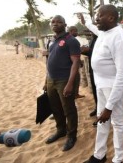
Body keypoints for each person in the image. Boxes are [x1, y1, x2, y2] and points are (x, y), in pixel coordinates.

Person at [80, 5, 123, 163]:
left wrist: (109, 107)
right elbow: (94, 28)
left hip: (113, 87)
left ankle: (118, 158)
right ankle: (99, 155)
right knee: (101, 121)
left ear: (111, 18)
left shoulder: (120, 38)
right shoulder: (104, 31)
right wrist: (85, 22)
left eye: (99, 16)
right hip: (101, 85)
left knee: (117, 123)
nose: (96, 19)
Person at [44, 15, 81, 151]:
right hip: (51, 80)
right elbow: (49, 61)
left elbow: (76, 62)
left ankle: (72, 136)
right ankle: (61, 130)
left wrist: (70, 84)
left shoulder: (71, 41)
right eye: (53, 21)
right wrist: (46, 80)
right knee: (55, 108)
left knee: (68, 109)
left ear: (65, 25)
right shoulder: (52, 40)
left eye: (59, 22)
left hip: (64, 80)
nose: (55, 24)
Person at [80, 30, 98, 119]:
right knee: (94, 90)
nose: (91, 32)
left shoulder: (101, 38)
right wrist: (83, 51)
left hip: (100, 71)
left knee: (100, 92)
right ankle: (97, 107)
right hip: (92, 69)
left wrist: (89, 50)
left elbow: (99, 53)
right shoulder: (92, 39)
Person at [68, 26, 85, 99]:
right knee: (75, 79)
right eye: (76, 31)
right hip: (72, 65)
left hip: (71, 64)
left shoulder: (68, 40)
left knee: (76, 79)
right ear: (71, 31)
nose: (77, 33)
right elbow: (75, 55)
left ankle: (75, 94)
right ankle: (75, 95)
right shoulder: (72, 41)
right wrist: (80, 61)